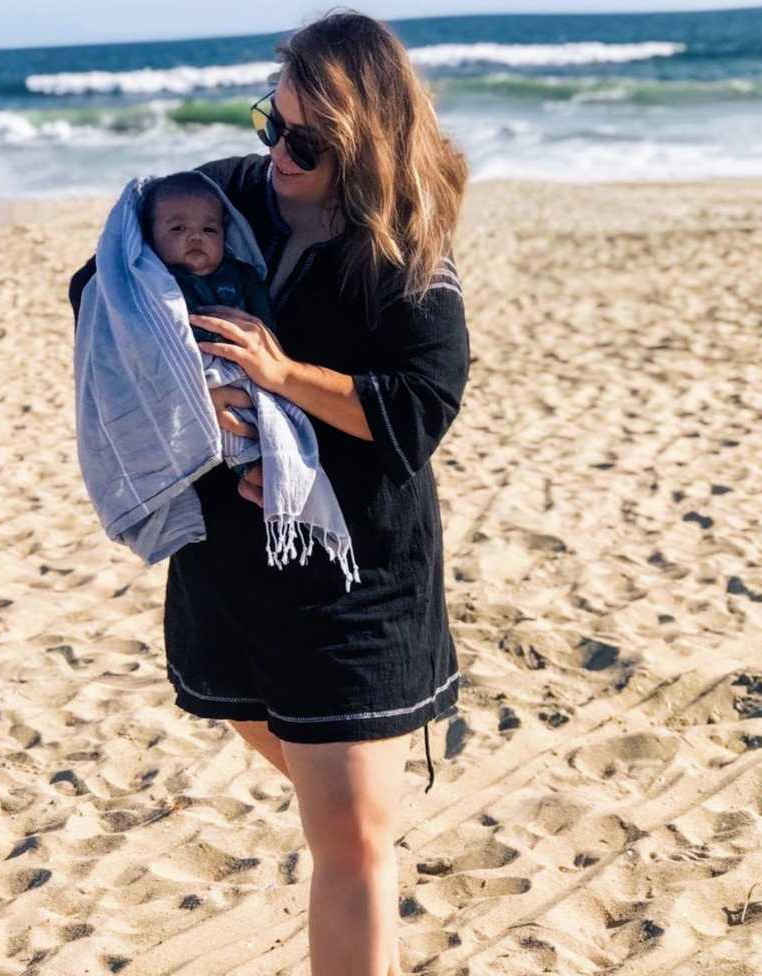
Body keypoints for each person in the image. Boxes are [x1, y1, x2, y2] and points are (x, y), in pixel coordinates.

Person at [68, 10, 470, 974]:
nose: (275, 154)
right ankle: (361, 799)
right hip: (228, 563)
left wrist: (283, 380)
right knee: (337, 803)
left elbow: (420, 406)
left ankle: (361, 822)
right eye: (270, 122)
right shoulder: (229, 194)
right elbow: (102, 283)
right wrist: (193, 399)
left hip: (350, 568)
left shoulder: (403, 255)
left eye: (304, 141)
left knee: (349, 846)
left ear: (366, 144)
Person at [138, 170, 276, 345]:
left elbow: (265, 329)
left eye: (209, 229)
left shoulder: (244, 277)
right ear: (151, 237)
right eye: (178, 228)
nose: (196, 237)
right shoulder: (152, 281)